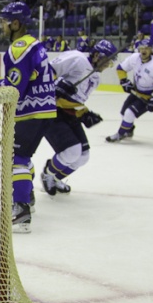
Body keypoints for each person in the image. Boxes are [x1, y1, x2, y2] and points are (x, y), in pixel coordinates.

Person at [0, 1, 56, 233]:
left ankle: (20, 211)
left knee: (16, 157)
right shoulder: (35, 44)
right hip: (44, 110)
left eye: (4, 21)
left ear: (16, 23)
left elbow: (15, 89)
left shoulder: (19, 47)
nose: (2, 25)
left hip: (30, 111)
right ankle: (26, 197)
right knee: (23, 155)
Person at [40, 39, 117, 196]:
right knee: (72, 151)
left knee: (83, 156)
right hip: (51, 111)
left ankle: (55, 178)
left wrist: (84, 113)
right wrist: (53, 89)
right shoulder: (77, 58)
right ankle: (48, 173)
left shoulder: (95, 78)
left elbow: (75, 101)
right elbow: (46, 71)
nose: (107, 65)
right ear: (96, 55)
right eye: (106, 61)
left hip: (67, 114)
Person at [106, 38, 153, 142]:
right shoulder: (134, 58)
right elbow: (120, 69)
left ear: (151, 49)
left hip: (148, 96)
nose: (144, 50)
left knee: (129, 113)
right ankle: (129, 130)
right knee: (123, 113)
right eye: (142, 48)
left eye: (147, 48)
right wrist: (124, 81)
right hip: (136, 92)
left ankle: (120, 134)